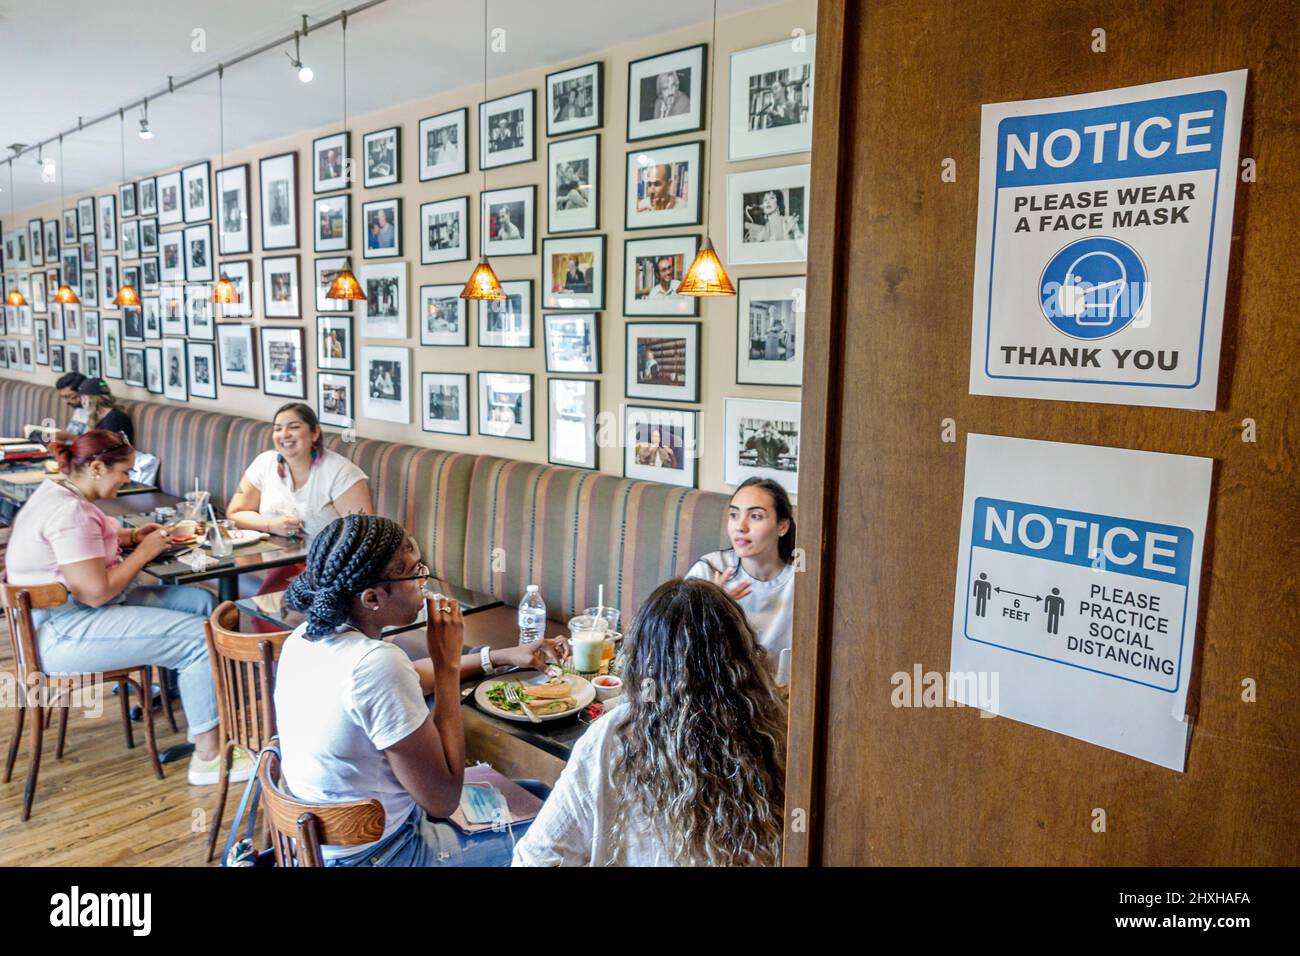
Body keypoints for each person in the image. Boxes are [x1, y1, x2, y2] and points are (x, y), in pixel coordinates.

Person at [274, 514, 563, 866]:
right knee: (561, 829)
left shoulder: (304, 639)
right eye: (415, 573)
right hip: (389, 853)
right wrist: (447, 665)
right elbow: (443, 800)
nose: (425, 583)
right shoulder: (377, 665)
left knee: (538, 794)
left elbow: (408, 677)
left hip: (325, 848)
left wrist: (501, 656)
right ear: (373, 598)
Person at [3, 429, 251, 786]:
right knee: (200, 640)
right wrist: (146, 553)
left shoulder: (57, 492)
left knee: (200, 603)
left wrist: (133, 537)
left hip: (55, 619)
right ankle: (209, 758)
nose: (128, 479)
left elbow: (88, 541)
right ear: (98, 467)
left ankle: (199, 717)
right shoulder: (70, 512)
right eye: (124, 471)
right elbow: (96, 593)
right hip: (63, 631)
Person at [513, 577, 786, 866]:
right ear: (743, 657)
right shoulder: (776, 732)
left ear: (641, 661)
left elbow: (535, 858)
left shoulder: (615, 734)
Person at [685, 477, 796, 671]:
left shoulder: (802, 579)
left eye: (755, 516)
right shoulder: (709, 570)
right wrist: (712, 607)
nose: (740, 526)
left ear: (782, 527)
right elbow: (674, 645)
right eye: (734, 515)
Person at [226, 402, 373, 540]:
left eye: (294, 427)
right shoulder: (264, 463)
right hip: (273, 557)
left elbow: (362, 535)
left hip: (327, 562)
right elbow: (235, 513)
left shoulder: (342, 473)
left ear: (314, 433)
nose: (284, 434)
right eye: (278, 429)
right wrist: (270, 525)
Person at [26, 371, 86, 442]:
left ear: (83, 392)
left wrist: (67, 436)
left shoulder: (95, 413)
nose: (66, 402)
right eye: (63, 397)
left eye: (69, 396)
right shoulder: (79, 409)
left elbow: (90, 445)